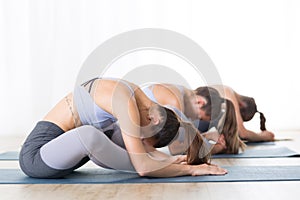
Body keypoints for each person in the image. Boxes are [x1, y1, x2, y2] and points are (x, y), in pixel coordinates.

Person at [19, 77, 227, 179]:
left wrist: (169, 159)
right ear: (154, 120)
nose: (140, 139)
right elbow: (142, 168)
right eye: (145, 138)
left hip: (65, 156)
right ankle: (163, 163)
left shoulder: (142, 101)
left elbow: (140, 149)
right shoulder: (126, 103)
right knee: (90, 136)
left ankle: (163, 162)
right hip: (37, 157)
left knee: (113, 132)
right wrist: (189, 169)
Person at [143, 83, 245, 155]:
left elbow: (186, 141)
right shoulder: (175, 102)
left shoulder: (182, 93)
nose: (195, 119)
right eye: (199, 117)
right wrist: (216, 148)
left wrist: (207, 135)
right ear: (200, 102)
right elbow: (176, 149)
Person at [210, 85, 275, 142]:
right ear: (241, 105)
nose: (238, 122)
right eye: (240, 118)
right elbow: (242, 133)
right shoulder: (227, 92)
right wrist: (263, 136)